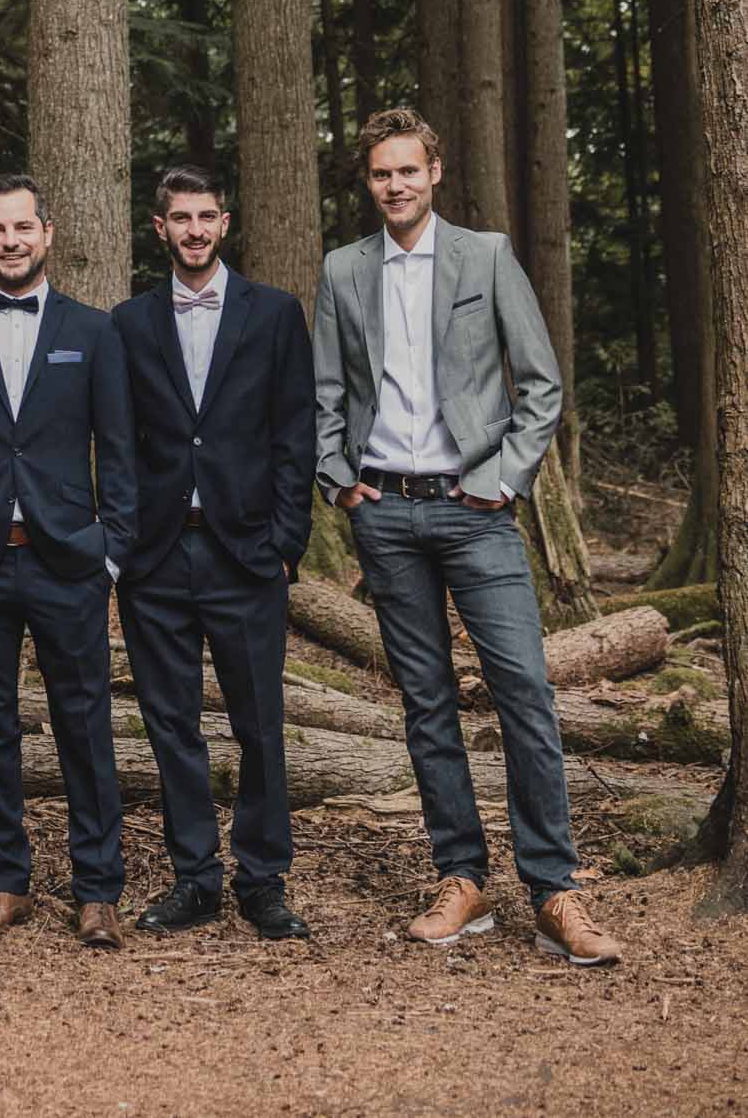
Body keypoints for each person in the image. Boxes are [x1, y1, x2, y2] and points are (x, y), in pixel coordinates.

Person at [314, 105, 624, 967]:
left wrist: (500, 480)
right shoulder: (342, 270)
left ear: (434, 172)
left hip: (474, 510)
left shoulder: (483, 256)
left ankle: (553, 888)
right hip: (386, 515)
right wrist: (342, 487)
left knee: (523, 688)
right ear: (369, 182)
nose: (395, 184)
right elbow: (325, 392)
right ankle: (462, 878)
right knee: (426, 704)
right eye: (381, 173)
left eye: (407, 170)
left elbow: (540, 386)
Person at [0, 174, 136, 949]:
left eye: (21, 228)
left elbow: (119, 449)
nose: (9, 241)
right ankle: (4, 880)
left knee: (84, 723)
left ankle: (97, 888)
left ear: (46, 235)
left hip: (66, 560)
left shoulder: (94, 331)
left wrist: (111, 552)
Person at [112, 165, 314, 941]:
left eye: (206, 216)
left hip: (245, 553)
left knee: (258, 723)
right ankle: (193, 877)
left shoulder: (272, 314)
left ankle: (261, 879)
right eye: (179, 219)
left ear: (224, 224)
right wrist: (124, 544)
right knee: (171, 724)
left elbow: (294, 434)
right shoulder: (128, 325)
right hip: (156, 559)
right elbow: (118, 443)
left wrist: (284, 544)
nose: (193, 230)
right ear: (158, 228)